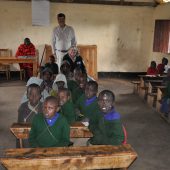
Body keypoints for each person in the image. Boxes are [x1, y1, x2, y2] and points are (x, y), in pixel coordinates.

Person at [17, 83, 43, 148]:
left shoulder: (45, 107)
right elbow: (18, 128)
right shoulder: (22, 108)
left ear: (40, 96)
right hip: (27, 138)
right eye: (31, 94)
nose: (34, 96)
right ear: (27, 95)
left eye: (36, 94)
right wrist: (18, 147)